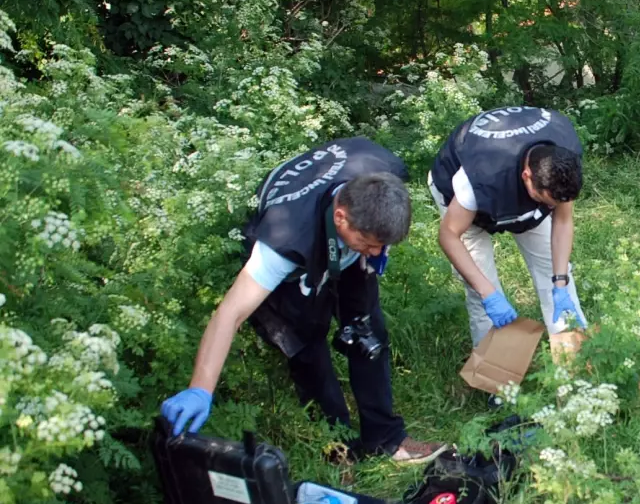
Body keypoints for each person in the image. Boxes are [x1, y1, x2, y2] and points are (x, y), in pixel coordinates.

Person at [160, 138, 447, 465]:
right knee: (308, 351)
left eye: (384, 245)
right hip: (293, 277)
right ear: (340, 217)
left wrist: (366, 250)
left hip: (341, 252)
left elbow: (370, 240)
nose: (378, 252)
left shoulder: (383, 175)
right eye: (369, 242)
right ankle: (338, 449)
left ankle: (385, 439)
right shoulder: (283, 241)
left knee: (368, 334)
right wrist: (201, 388)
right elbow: (230, 313)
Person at [429, 106, 588, 348]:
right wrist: (488, 294)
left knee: (556, 273)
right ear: (526, 176)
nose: (551, 209)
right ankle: (495, 368)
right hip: (465, 206)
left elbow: (563, 220)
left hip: (516, 187)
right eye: (545, 201)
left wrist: (560, 282)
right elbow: (449, 235)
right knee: (482, 289)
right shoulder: (479, 177)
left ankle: (573, 360)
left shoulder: (562, 161)